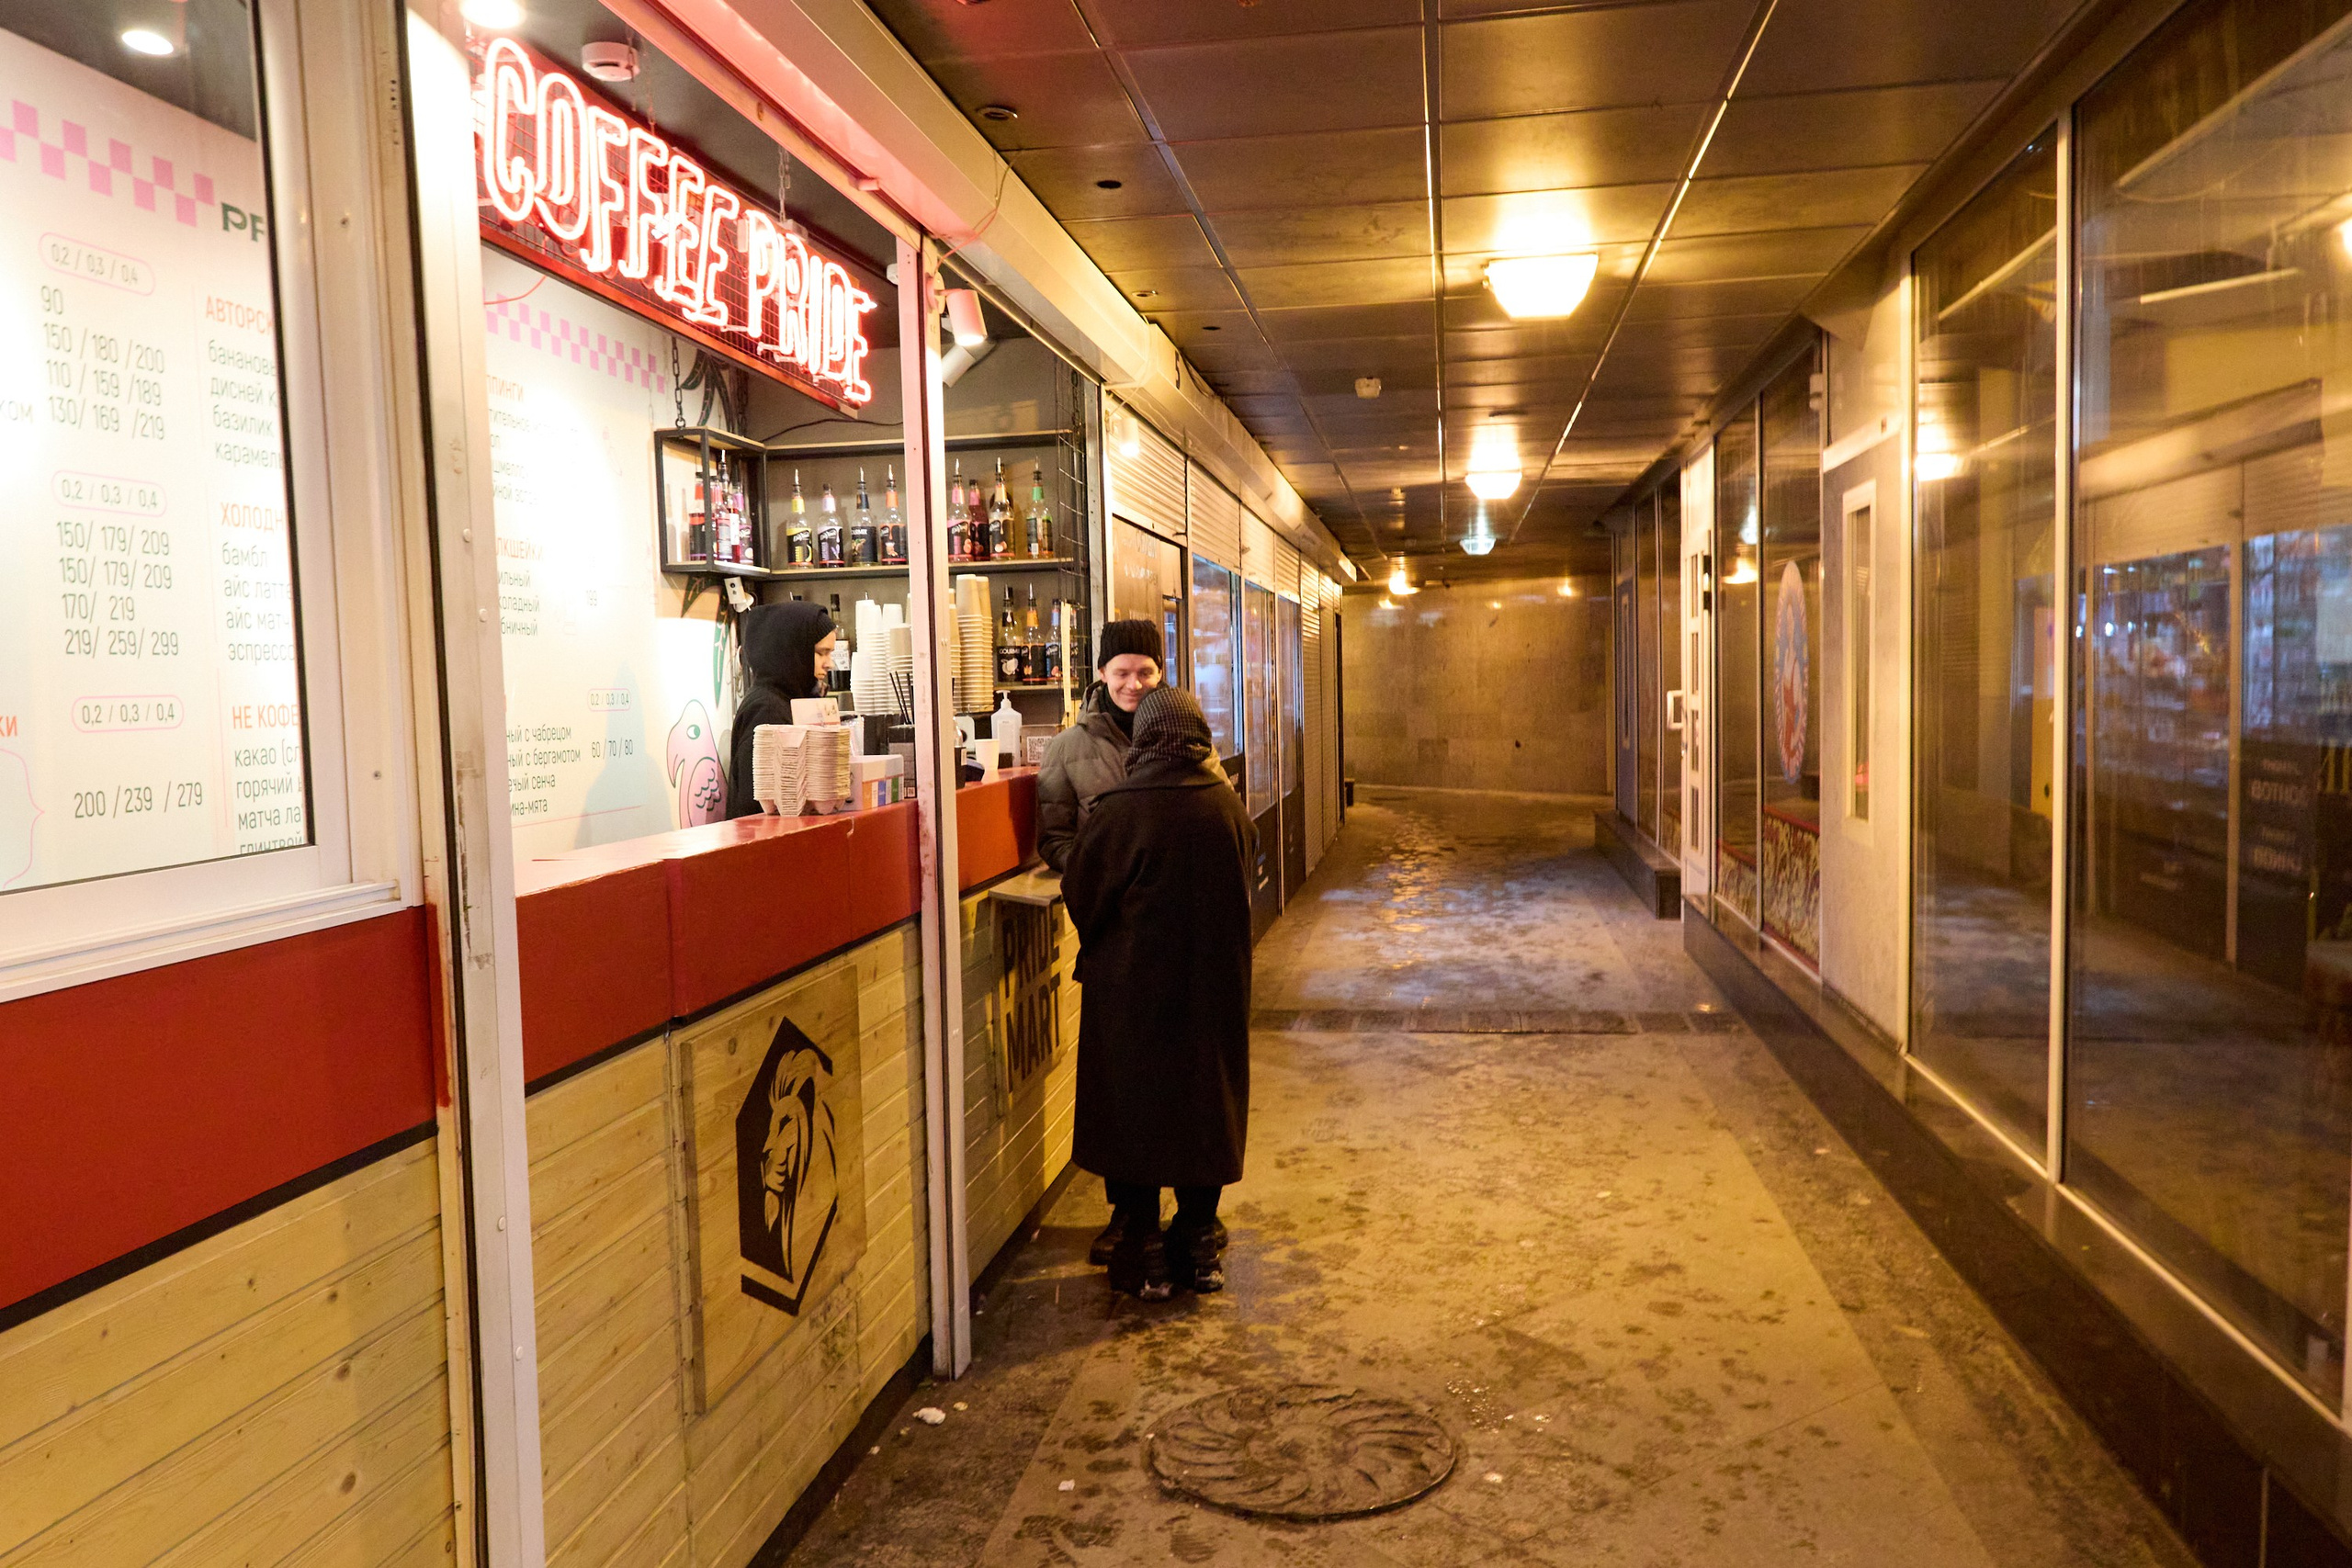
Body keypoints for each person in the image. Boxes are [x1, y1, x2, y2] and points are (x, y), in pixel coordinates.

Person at [1061, 685, 1254, 1298]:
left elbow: (1085, 896)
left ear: (1145, 737)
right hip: (1211, 990)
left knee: (1135, 1110)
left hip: (1131, 995)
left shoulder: (1120, 807)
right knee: (1205, 1105)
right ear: (1196, 734)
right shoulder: (1225, 805)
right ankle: (1198, 1242)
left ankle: (1144, 1247)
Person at [1037, 620, 1224, 872]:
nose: (1134, 685)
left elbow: (1225, 818)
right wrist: (1106, 878)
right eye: (1122, 673)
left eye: (1145, 673)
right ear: (1102, 672)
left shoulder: (1191, 740)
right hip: (1110, 907)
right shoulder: (1065, 750)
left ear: (1159, 672)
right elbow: (1055, 841)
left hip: (1183, 901)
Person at [727, 601, 836, 819]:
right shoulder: (766, 711)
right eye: (821, 653)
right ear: (793, 652)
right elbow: (758, 807)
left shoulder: (788, 702)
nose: (829, 663)